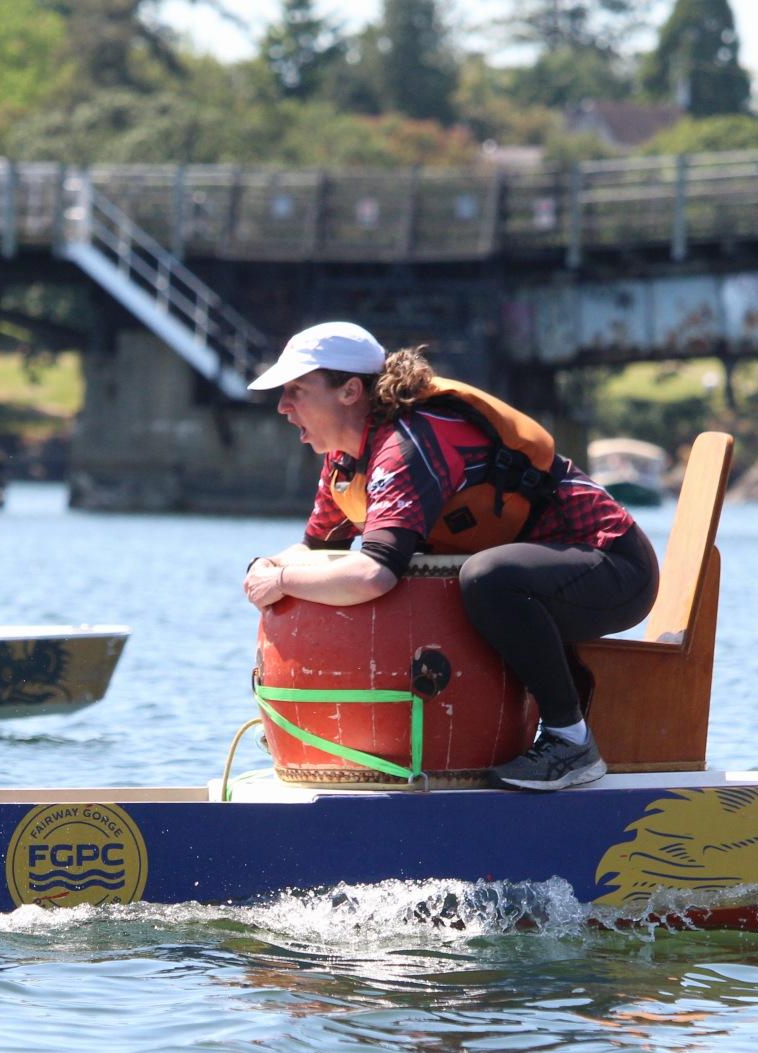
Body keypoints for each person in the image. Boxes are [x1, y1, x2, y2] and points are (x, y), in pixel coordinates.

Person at [241, 322, 659, 791]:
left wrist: (282, 582)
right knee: (476, 579)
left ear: (350, 391)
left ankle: (570, 741)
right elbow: (319, 552)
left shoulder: (407, 446)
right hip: (543, 579)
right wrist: (268, 566)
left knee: (488, 577)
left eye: (296, 390)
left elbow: (373, 575)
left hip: (614, 566)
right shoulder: (344, 460)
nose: (282, 406)